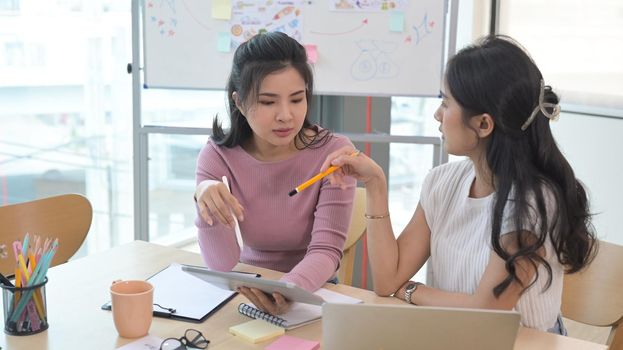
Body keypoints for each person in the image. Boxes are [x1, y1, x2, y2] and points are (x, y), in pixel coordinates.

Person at [321, 35, 597, 334]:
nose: (437, 114)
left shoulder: (532, 204)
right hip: (457, 335)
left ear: (483, 124)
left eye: (446, 102)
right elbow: (388, 280)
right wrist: (376, 184)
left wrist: (413, 291)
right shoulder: (443, 181)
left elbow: (485, 313)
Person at [194, 32, 356, 314]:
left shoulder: (335, 153)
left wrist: (286, 290)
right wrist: (204, 205)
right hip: (248, 288)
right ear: (239, 102)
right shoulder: (217, 156)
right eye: (268, 102)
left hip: (313, 292)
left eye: (296, 99)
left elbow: (326, 251)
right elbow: (222, 267)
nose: (286, 115)